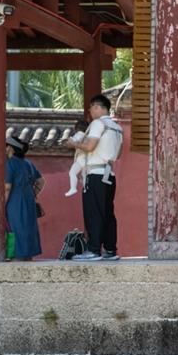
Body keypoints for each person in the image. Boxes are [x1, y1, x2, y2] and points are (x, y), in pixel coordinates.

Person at [68, 94, 124, 261]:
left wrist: (74, 144)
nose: (90, 111)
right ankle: (110, 249)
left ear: (99, 108)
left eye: (92, 108)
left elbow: (90, 146)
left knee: (93, 212)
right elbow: (119, 154)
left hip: (95, 174)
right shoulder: (117, 127)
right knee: (108, 213)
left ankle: (93, 249)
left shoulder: (98, 124)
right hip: (109, 174)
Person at [4, 136, 44, 261]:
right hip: (29, 199)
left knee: (16, 228)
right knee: (28, 227)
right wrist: (33, 193)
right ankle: (28, 257)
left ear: (10, 148)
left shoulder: (10, 163)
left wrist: (2, 205)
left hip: (15, 200)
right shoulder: (28, 163)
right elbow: (41, 181)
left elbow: (7, 188)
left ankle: (17, 258)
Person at [64, 119, 90, 197]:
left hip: (80, 159)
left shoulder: (79, 134)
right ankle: (86, 189)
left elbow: (73, 141)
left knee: (72, 172)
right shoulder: (88, 137)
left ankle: (73, 188)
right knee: (84, 175)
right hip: (87, 159)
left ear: (77, 128)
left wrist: (70, 140)